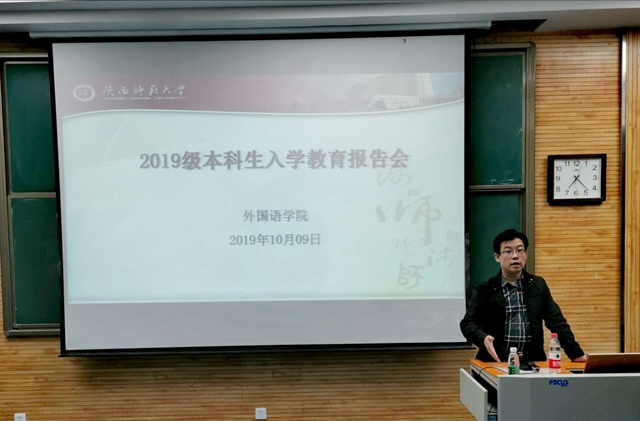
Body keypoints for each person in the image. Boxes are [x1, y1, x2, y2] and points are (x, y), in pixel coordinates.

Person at [460, 228, 587, 363]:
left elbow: (557, 322)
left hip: (532, 362)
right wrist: (483, 338)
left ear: (525, 254)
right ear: (497, 257)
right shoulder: (485, 289)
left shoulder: (538, 285)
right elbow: (468, 323)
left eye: (520, 250)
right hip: (496, 362)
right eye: (508, 251)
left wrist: (576, 353)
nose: (515, 256)